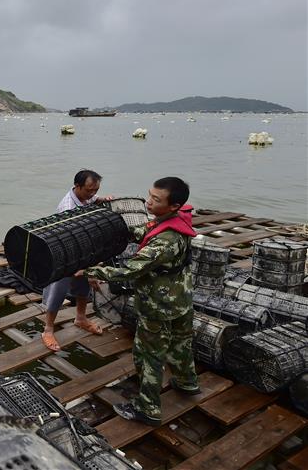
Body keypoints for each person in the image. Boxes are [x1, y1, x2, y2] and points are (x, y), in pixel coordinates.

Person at [76, 176, 199, 426]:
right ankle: (186, 383)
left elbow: (131, 270)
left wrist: (93, 271)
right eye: (149, 195)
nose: (148, 201)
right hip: (182, 299)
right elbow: (147, 229)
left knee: (149, 355)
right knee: (180, 344)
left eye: (156, 199)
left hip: (159, 305)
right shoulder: (177, 220)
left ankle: (148, 408)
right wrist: (120, 232)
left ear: (174, 205)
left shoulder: (167, 240)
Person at [41, 169, 108, 351]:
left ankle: (80, 318)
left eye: (96, 190)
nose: (92, 194)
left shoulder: (85, 197)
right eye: (89, 190)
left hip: (82, 249)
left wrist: (101, 199)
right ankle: (48, 329)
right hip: (65, 254)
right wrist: (91, 269)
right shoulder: (68, 208)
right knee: (58, 290)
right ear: (77, 186)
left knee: (82, 285)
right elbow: (72, 243)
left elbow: (93, 199)